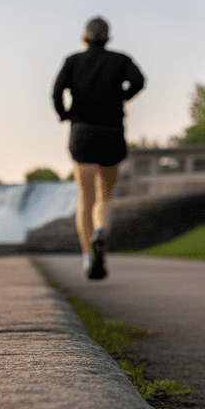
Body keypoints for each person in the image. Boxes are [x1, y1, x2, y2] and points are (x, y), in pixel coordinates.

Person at [52, 16, 145, 280]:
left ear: (86, 35)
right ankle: (101, 230)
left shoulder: (72, 61)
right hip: (111, 133)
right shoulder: (121, 60)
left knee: (86, 198)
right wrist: (122, 97)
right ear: (108, 36)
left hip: (82, 133)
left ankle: (87, 256)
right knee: (105, 198)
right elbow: (139, 81)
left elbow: (56, 92)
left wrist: (64, 114)